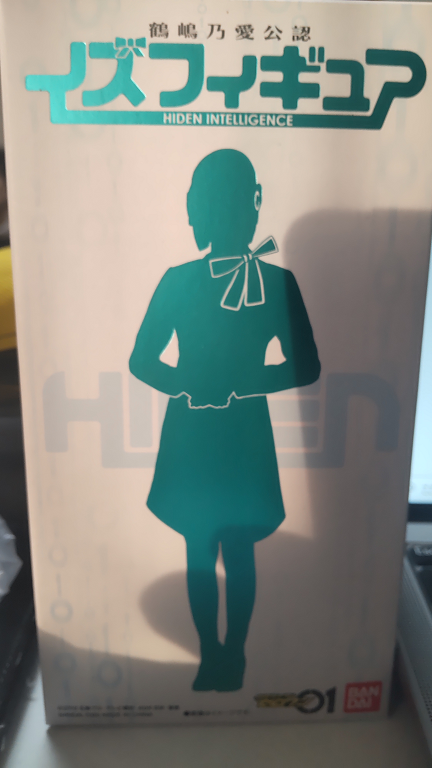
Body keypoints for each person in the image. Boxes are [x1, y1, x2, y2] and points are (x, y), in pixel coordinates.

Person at [129, 149, 321, 691]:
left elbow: (306, 365)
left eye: (241, 201)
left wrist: (242, 382)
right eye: (224, 202)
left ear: (255, 204)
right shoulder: (179, 281)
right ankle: (211, 654)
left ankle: (232, 654)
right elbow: (141, 360)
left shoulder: (277, 283)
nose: (236, 213)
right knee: (200, 547)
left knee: (236, 547)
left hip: (243, 433)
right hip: (193, 432)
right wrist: (188, 384)